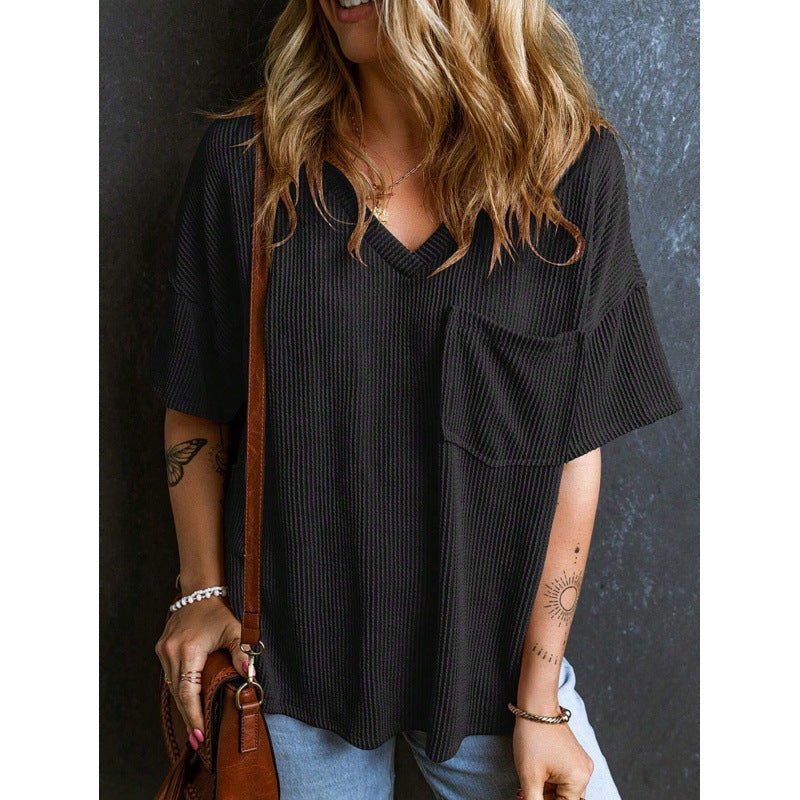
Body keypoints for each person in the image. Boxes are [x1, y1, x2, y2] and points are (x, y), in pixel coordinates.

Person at [147, 1, 684, 799]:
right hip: (291, 676)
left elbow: (573, 448)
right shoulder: (249, 165)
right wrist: (200, 590)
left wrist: (540, 701)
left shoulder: (570, 172)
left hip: (495, 676)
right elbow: (197, 397)